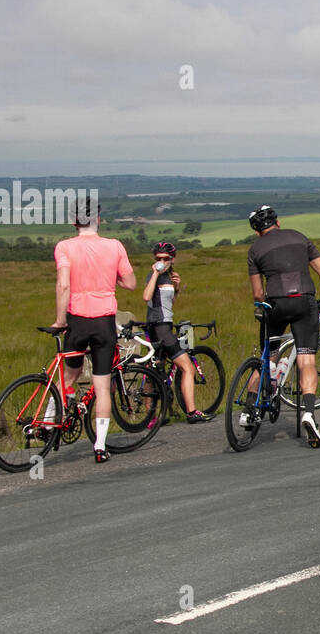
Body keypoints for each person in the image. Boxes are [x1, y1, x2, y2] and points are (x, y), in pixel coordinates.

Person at [52, 198, 136, 463]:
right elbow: (131, 283)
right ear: (98, 219)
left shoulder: (64, 247)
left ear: (74, 221)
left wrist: (59, 320)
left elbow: (64, 285)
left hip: (77, 319)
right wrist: (113, 278)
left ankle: (46, 421)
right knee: (102, 386)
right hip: (104, 321)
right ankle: (100, 446)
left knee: (68, 375)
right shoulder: (114, 246)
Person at [246, 205, 320, 447]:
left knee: (267, 358)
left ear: (256, 231)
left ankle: (249, 408)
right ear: (278, 222)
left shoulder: (255, 249)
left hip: (276, 305)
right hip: (305, 302)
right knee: (307, 361)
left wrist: (260, 305)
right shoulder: (300, 237)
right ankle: (308, 413)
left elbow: (257, 292)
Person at [142, 241, 211, 423]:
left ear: (173, 259)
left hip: (162, 325)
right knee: (187, 368)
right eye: (158, 258)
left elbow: (167, 303)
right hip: (160, 327)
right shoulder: (154, 275)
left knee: (155, 369)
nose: (162, 261)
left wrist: (177, 288)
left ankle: (152, 417)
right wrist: (156, 273)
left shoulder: (170, 276)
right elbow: (146, 297)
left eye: (166, 259)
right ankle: (192, 412)